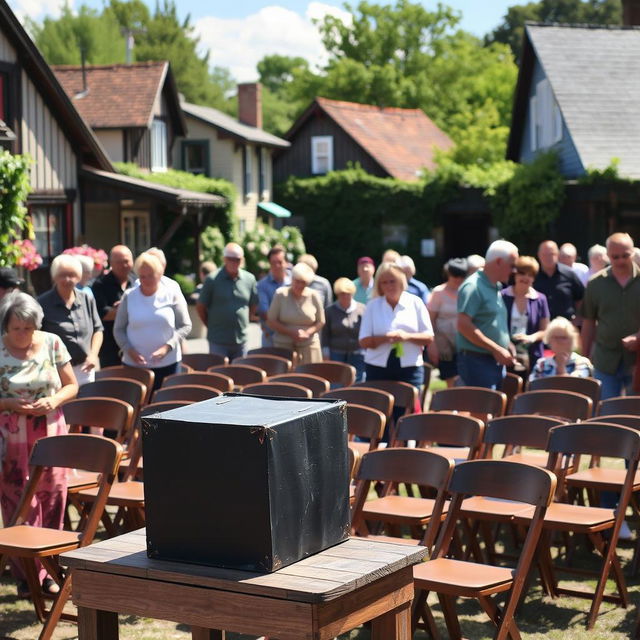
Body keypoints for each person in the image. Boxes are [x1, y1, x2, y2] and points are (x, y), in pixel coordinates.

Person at [0, 292, 78, 597]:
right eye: (16, 328)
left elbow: (72, 385)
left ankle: (51, 567)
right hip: (11, 435)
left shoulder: (52, 342)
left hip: (49, 430)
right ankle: (27, 574)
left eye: (28, 328)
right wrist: (7, 402)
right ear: (5, 326)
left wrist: (55, 399)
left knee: (53, 496)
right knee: (18, 499)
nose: (23, 334)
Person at [114, 252, 191, 389]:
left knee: (166, 405)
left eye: (151, 276)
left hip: (168, 363)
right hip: (134, 365)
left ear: (160, 274)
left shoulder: (171, 293)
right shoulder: (129, 296)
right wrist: (129, 350)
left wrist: (168, 346)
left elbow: (185, 325)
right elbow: (118, 329)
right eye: (142, 276)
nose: (147, 280)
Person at [581, 232, 640, 399]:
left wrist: (638, 337)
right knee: (606, 413)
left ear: (633, 252)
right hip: (605, 360)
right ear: (607, 256)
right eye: (615, 257)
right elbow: (588, 321)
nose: (621, 260)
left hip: (637, 362)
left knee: (634, 415)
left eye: (625, 255)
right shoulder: (595, 284)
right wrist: (585, 357)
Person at [359, 261, 433, 390]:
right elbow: (364, 341)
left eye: (392, 281)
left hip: (410, 367)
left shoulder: (415, 302)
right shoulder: (373, 305)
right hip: (377, 367)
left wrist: (406, 337)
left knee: (408, 408)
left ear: (401, 281)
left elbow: (428, 337)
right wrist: (385, 338)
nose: (389, 286)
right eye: (384, 282)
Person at [456, 240, 518, 389]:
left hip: (491, 361)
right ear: (498, 262)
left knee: (493, 409)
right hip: (477, 361)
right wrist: (496, 349)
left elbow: (491, 322)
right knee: (482, 410)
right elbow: (463, 325)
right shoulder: (473, 287)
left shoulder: (494, 286)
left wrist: (506, 344)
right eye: (512, 265)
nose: (514, 271)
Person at [38, 254, 103, 386]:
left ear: (79, 277)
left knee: (87, 405)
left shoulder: (86, 299)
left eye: (72, 275)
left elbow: (98, 329)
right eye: (62, 275)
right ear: (54, 276)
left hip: (86, 368)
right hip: (58, 370)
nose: (68, 279)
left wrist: (93, 355)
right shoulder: (42, 303)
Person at [196, 243, 258, 360]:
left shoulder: (249, 279)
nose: (234, 263)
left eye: (237, 260)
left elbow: (253, 304)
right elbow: (200, 307)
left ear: (242, 260)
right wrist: (210, 325)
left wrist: (245, 320)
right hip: (218, 340)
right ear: (224, 259)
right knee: (219, 374)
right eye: (230, 259)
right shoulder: (212, 279)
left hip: (240, 340)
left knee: (241, 374)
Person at [267, 262, 325, 364]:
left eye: (303, 282)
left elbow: (321, 321)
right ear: (292, 279)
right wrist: (290, 332)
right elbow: (271, 321)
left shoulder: (314, 295)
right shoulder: (280, 294)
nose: (299, 285)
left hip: (309, 346)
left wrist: (307, 333)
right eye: (297, 281)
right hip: (284, 345)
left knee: (310, 377)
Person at [501, 256, 550, 375]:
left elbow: (545, 330)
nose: (526, 277)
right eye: (522, 273)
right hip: (505, 354)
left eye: (530, 274)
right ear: (515, 275)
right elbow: (496, 326)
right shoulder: (502, 296)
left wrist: (531, 338)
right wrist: (507, 342)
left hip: (532, 356)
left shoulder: (540, 299)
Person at [92, 244, 135, 367]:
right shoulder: (100, 284)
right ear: (111, 263)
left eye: (126, 261)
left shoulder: (137, 282)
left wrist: (121, 309)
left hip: (136, 345)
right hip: (110, 347)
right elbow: (103, 314)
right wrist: (129, 307)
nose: (124, 265)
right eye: (119, 262)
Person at [427, 258, 467, 386]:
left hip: (464, 345)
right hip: (445, 346)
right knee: (452, 382)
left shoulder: (467, 292)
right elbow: (430, 320)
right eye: (455, 275)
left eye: (461, 276)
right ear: (448, 274)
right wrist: (432, 346)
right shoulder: (438, 292)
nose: (458, 279)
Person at [322, 278, 366, 381]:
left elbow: (366, 333)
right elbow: (325, 335)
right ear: (337, 294)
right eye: (342, 294)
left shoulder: (362, 309)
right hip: (336, 354)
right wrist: (326, 355)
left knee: (358, 383)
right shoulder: (329, 311)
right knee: (336, 383)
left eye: (348, 293)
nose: (345, 296)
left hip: (358, 354)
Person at [534, 240, 584, 320]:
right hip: (539, 327)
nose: (548, 258)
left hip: (566, 326)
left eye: (551, 254)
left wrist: (577, 319)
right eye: (544, 255)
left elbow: (581, 298)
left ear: (558, 255)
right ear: (539, 255)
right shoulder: (533, 276)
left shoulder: (569, 275)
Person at [257, 245, 291, 347]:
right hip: (271, 337)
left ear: (286, 263)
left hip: (293, 338)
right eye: (273, 263)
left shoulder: (295, 282)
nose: (276, 266)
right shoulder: (262, 285)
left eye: (280, 262)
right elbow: (266, 314)